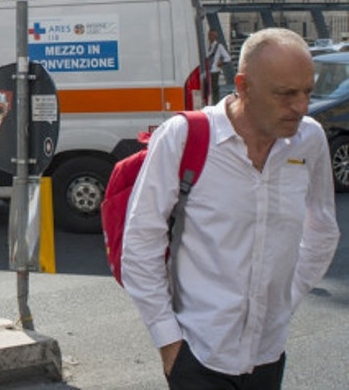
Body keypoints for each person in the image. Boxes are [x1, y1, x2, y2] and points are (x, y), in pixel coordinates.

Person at [122, 28, 338, 388]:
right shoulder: (184, 136)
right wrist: (168, 342)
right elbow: (141, 242)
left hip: (269, 354)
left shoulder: (309, 139)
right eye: (285, 94)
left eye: (307, 92)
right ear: (243, 86)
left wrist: (287, 298)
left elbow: (323, 229)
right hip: (198, 354)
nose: (301, 106)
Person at [207, 29, 232, 102]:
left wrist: (221, 63)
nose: (211, 37)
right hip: (207, 70)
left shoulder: (219, 46)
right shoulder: (207, 46)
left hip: (214, 70)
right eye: (210, 35)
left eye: (213, 35)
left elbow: (228, 58)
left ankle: (215, 102)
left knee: (214, 88)